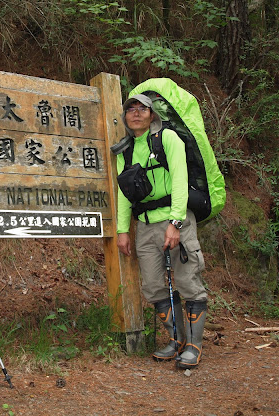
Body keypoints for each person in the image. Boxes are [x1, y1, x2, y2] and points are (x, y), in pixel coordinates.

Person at [115, 93, 208, 369]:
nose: (136, 113)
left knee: (188, 280)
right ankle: (176, 339)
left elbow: (181, 180)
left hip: (175, 220)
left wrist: (176, 223)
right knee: (154, 286)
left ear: (152, 113)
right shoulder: (126, 150)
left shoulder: (168, 139)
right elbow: (124, 193)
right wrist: (123, 230)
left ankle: (194, 345)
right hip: (144, 225)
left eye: (141, 108)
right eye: (130, 109)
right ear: (125, 116)